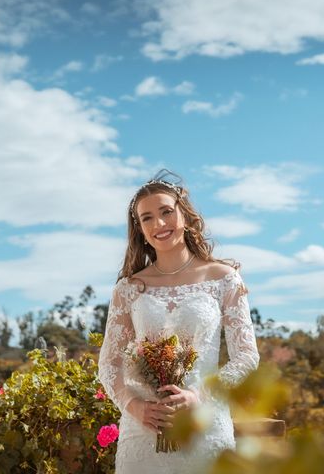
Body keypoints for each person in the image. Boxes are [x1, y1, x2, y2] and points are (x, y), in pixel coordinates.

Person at [98, 170, 260, 474]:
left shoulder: (224, 279)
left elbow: (247, 357)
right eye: (146, 218)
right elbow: (109, 364)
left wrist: (199, 397)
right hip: (143, 433)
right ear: (140, 229)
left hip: (205, 427)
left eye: (166, 212)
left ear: (184, 215)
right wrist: (136, 408)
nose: (158, 224)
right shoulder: (129, 288)